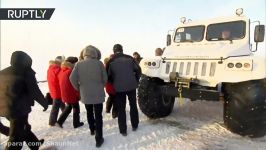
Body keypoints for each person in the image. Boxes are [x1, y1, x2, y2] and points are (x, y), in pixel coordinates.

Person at [0, 51, 48, 150]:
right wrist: (45, 103)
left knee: (23, 127)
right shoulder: (26, 72)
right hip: (18, 109)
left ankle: (35, 144)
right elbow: (35, 91)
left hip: (4, 107)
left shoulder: (3, 72)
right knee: (16, 138)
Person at [70, 45, 107, 148]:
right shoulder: (99, 63)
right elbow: (105, 78)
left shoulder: (78, 64)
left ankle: (92, 130)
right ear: (94, 53)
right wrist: (101, 86)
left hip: (85, 94)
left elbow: (72, 78)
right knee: (98, 115)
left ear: (84, 54)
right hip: (98, 94)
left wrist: (79, 88)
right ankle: (99, 139)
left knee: (89, 112)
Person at [107, 44, 141, 136]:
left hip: (118, 88)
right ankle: (135, 125)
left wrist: (114, 82)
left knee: (121, 109)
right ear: (122, 50)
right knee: (133, 105)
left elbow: (108, 76)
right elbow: (138, 70)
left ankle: (123, 130)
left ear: (114, 51)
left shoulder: (111, 61)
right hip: (131, 85)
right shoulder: (130, 58)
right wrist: (136, 80)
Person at [55, 57, 84, 129]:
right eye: (75, 63)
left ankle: (59, 122)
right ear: (72, 63)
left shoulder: (62, 70)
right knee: (76, 108)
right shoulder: (71, 71)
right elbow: (74, 84)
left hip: (65, 93)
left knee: (69, 107)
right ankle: (76, 123)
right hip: (71, 94)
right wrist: (78, 94)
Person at [47, 56, 65, 126]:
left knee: (61, 103)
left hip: (53, 89)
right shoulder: (57, 70)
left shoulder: (50, 68)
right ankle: (52, 122)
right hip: (57, 90)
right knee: (55, 107)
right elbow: (61, 80)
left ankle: (64, 111)